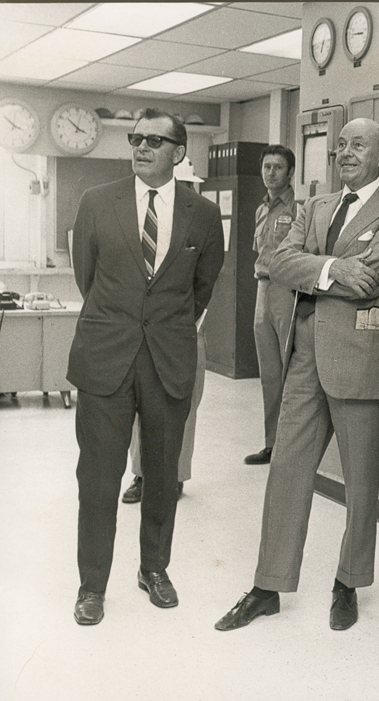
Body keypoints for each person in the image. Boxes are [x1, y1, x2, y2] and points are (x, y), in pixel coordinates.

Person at [215, 118, 379, 633]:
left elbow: (370, 276)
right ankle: (268, 585)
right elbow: (276, 259)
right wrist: (334, 269)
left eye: (358, 144)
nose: (345, 152)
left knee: (360, 482)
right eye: (341, 145)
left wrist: (312, 268)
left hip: (361, 359)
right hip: (305, 357)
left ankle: (347, 583)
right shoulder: (315, 206)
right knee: (287, 470)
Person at [68, 108, 224, 625]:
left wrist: (160, 322)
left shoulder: (202, 215)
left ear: (179, 153)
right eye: (136, 138)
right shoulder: (96, 202)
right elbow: (86, 277)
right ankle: (92, 585)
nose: (142, 147)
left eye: (155, 141)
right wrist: (124, 319)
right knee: (98, 477)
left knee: (161, 477)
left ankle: (153, 569)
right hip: (105, 359)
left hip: (168, 361)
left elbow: (201, 288)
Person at [123, 156, 210, 503]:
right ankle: (142, 475)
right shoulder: (139, 222)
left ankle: (174, 476)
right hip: (142, 331)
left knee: (182, 407)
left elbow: (206, 281)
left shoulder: (203, 226)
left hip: (187, 331)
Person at [244, 145, 297, 466]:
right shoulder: (261, 209)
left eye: (278, 167)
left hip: (287, 291)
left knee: (291, 369)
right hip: (262, 288)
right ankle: (271, 443)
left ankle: (292, 445)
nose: (271, 173)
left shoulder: (299, 209)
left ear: (290, 172)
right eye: (266, 167)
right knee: (270, 373)